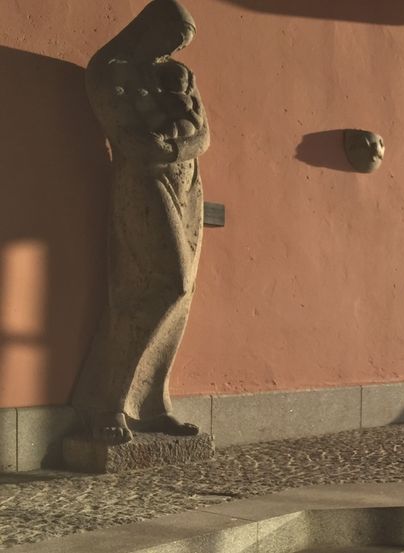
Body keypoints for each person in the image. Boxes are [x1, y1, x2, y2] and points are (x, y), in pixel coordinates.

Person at [71, 0, 209, 444]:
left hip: (188, 185)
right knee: (165, 282)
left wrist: (171, 149)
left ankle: (150, 405)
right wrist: (172, 148)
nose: (173, 49)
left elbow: (204, 135)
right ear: (149, 27)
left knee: (181, 296)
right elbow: (129, 139)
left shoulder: (179, 74)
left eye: (180, 43)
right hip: (142, 183)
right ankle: (105, 402)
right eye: (170, 38)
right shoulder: (109, 68)